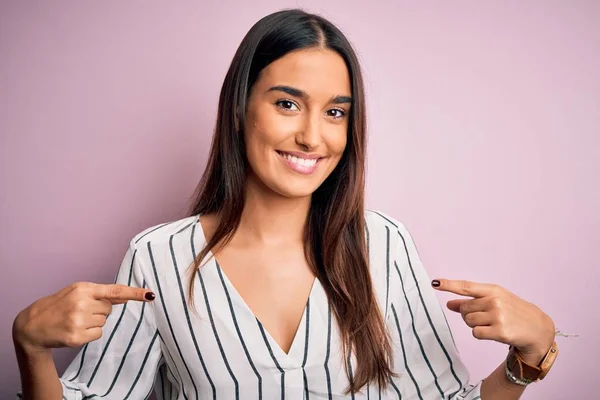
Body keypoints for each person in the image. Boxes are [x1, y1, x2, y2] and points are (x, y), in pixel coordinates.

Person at [12, 8, 558, 400]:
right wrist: (31, 350)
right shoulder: (157, 258)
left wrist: (528, 357)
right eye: (288, 103)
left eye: (336, 112)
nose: (312, 137)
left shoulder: (384, 245)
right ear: (240, 107)